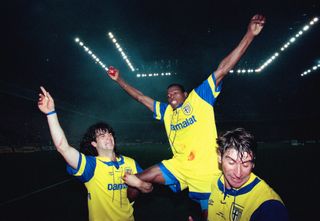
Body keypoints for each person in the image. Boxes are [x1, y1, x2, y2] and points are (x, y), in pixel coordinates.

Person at [107, 14, 266, 220]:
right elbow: (140, 97)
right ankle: (123, 211)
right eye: (168, 94)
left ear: (185, 94)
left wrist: (249, 35)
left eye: (174, 92)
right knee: (134, 180)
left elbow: (223, 69)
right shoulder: (165, 112)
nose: (170, 95)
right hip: (178, 166)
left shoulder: (198, 99)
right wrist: (119, 79)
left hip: (207, 172)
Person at [37, 86, 151, 221]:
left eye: (109, 134)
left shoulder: (130, 162)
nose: (108, 137)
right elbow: (63, 148)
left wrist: (139, 184)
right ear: (94, 144)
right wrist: (51, 113)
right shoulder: (90, 166)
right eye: (102, 136)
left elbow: (149, 188)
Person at [204, 128, 289, 221]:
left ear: (253, 164)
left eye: (245, 164)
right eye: (231, 162)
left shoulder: (269, 206)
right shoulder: (215, 182)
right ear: (220, 157)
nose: (238, 173)